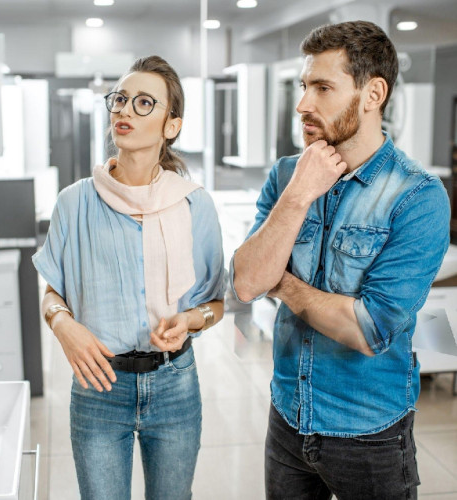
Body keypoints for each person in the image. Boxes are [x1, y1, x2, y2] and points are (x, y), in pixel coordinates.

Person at [231, 21, 450, 500]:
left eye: (323, 88)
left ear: (373, 94)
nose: (303, 104)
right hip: (288, 416)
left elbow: (368, 329)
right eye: (304, 85)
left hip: (369, 433)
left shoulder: (417, 197)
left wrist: (283, 283)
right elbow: (246, 283)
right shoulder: (289, 173)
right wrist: (298, 196)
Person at [33, 55, 225, 500]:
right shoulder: (74, 202)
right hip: (99, 386)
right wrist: (64, 326)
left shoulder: (194, 204)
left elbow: (216, 303)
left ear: (170, 126)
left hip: (175, 384)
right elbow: (51, 293)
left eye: (143, 103)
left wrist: (190, 321)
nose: (123, 111)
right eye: (119, 100)